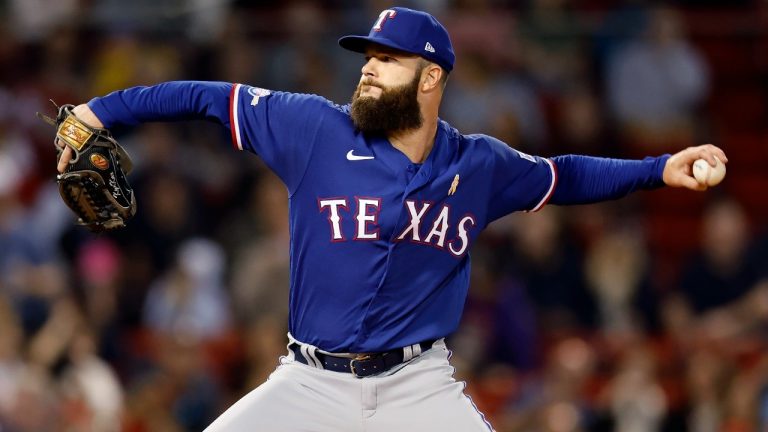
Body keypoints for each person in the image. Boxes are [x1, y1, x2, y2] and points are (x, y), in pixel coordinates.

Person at [56, 7, 727, 431]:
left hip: (418, 388)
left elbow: (566, 175)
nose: (368, 71)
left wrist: (659, 167)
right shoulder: (312, 128)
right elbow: (202, 96)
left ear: (430, 78)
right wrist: (99, 113)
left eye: (387, 60)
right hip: (309, 384)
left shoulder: (480, 165)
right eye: (367, 57)